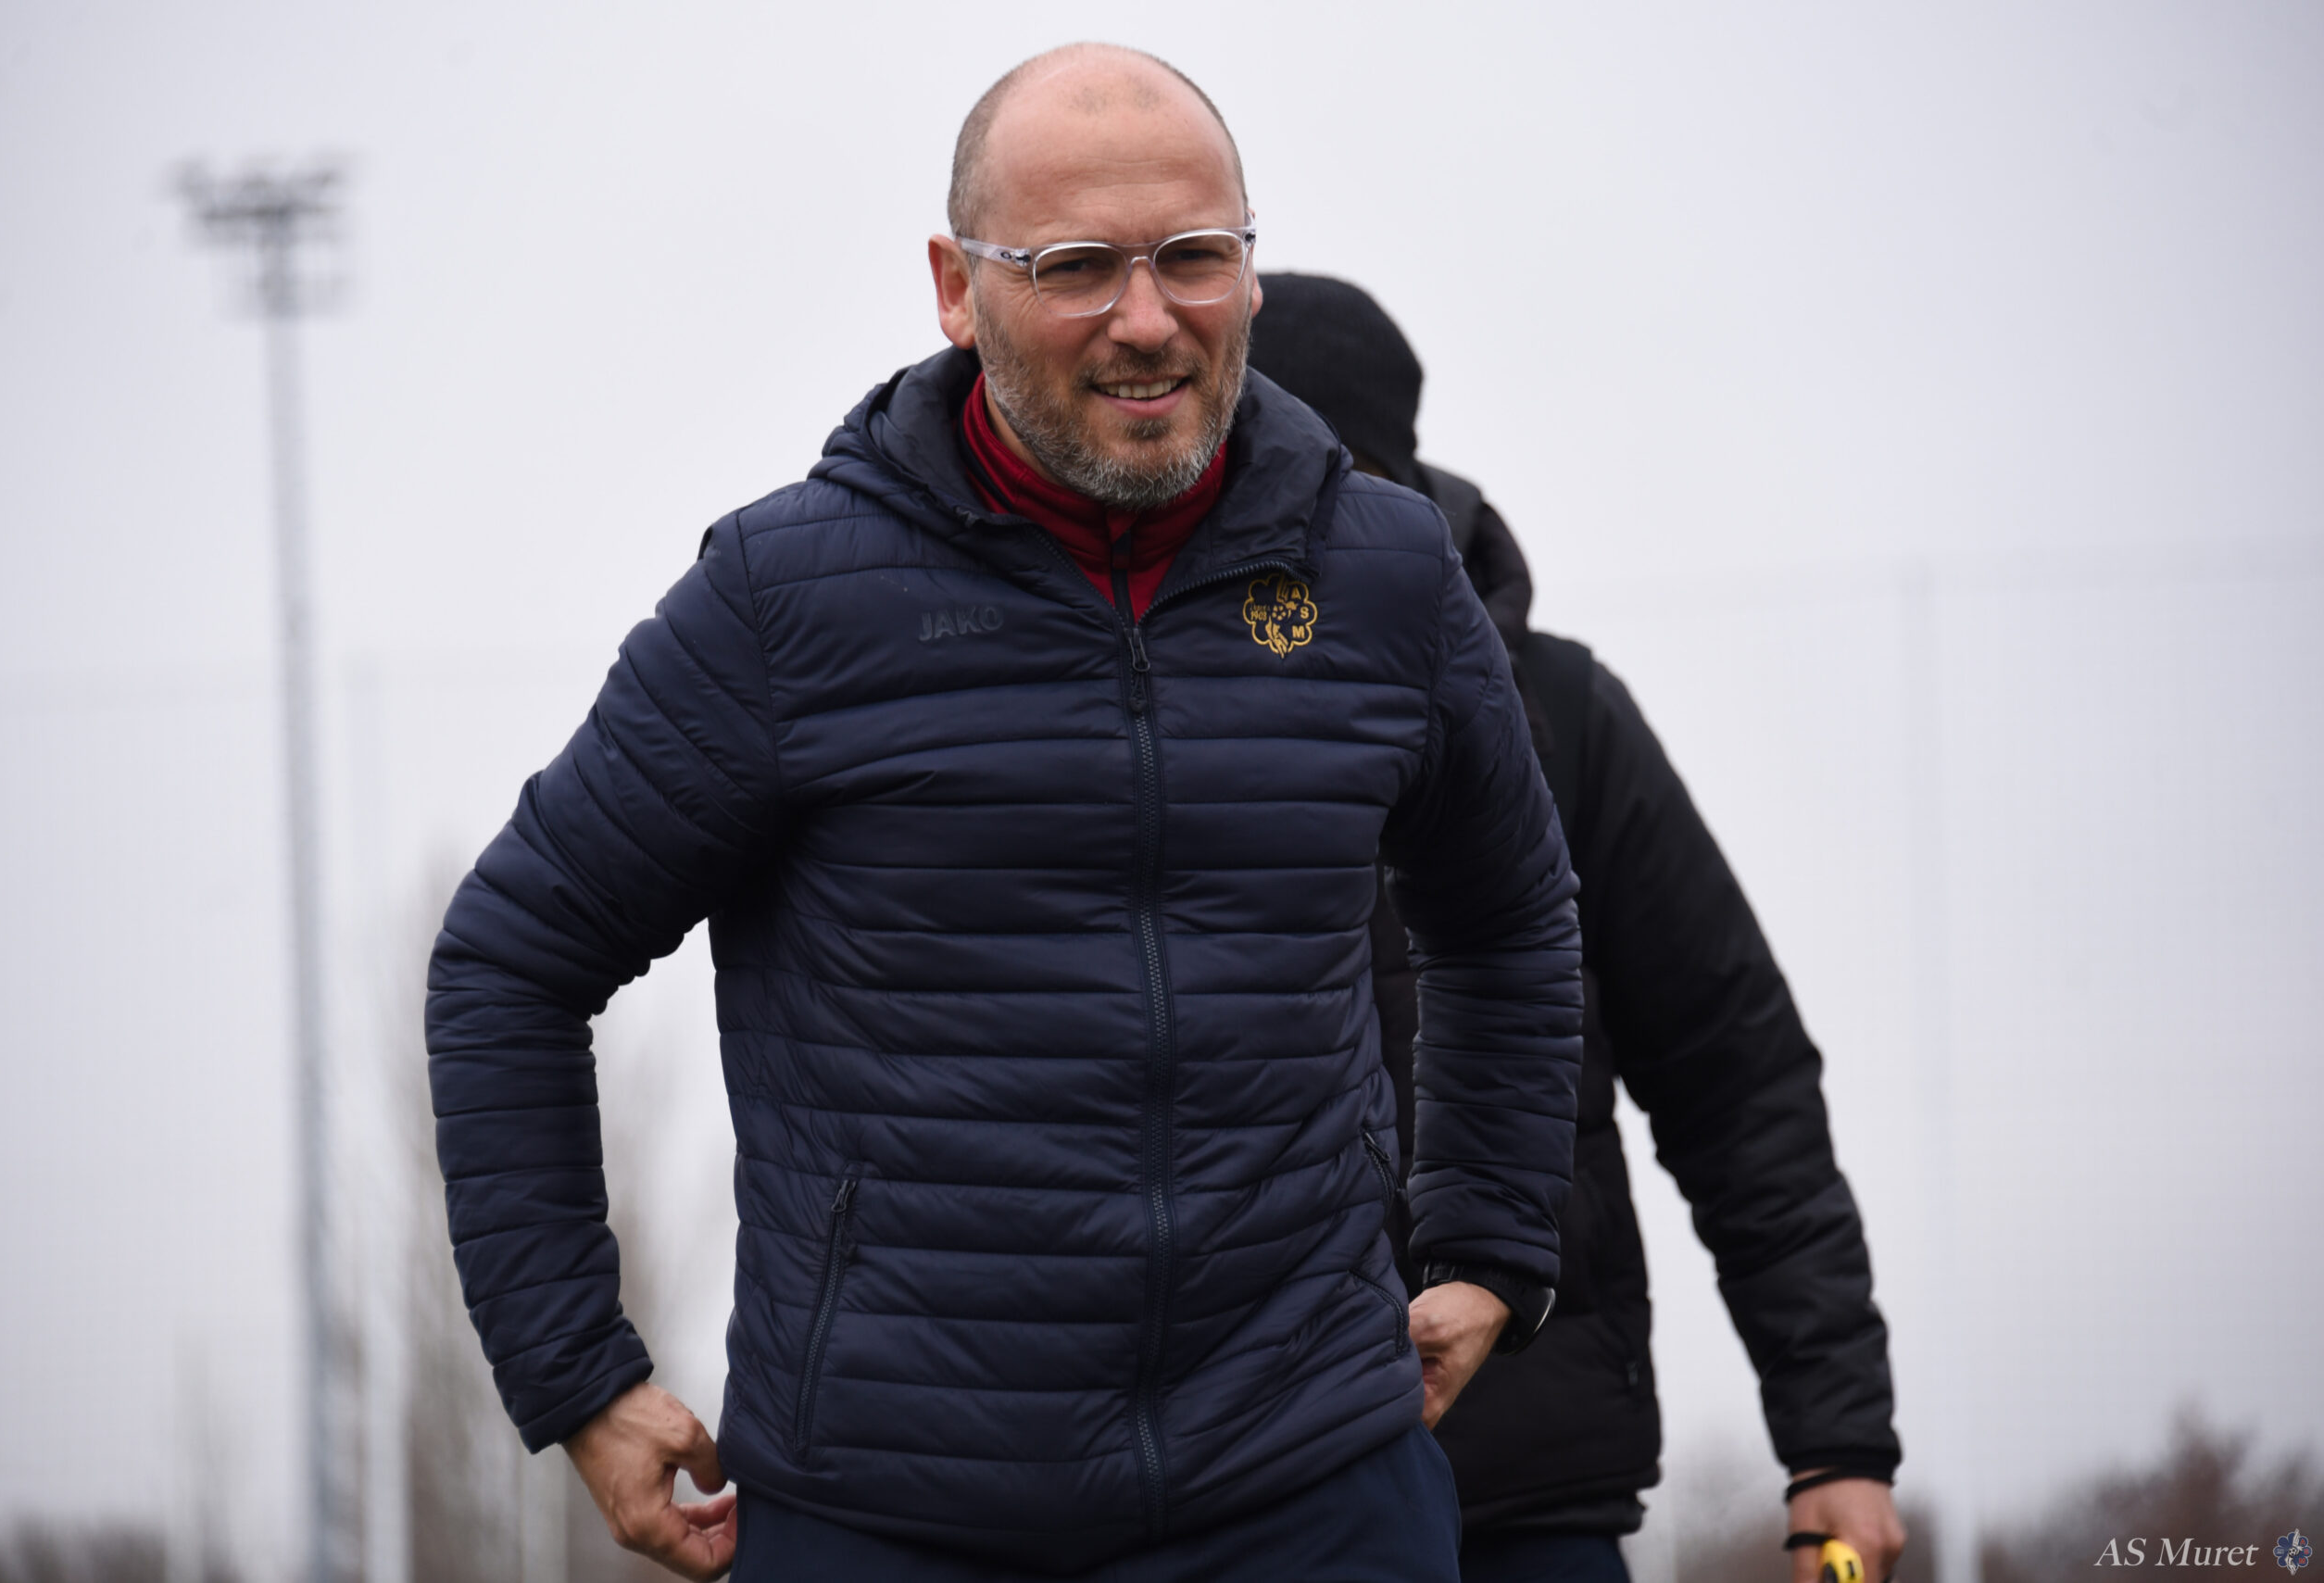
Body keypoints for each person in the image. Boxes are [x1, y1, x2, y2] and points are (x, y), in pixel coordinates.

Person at [426, 46, 1585, 1582]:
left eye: (1192, 256)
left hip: (1312, 1493)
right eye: (1076, 266)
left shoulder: (1386, 575)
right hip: (887, 1514)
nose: (1147, 318)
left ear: (1249, 267)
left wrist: (1490, 1242)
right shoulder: (785, 603)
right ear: (955, 289)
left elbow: (1508, 918)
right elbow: (511, 960)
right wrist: (576, 1372)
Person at [1247, 274, 1906, 1583]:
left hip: (1519, 1481)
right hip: (1213, 1496)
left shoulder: (1557, 716)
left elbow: (1737, 1084)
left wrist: (1837, 1439)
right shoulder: (1112, 714)